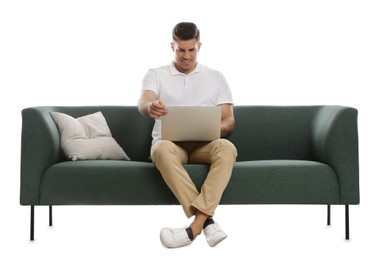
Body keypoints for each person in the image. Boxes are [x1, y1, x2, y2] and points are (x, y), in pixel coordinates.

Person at [138, 22, 237, 248]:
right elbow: (143, 101)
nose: (186, 56)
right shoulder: (156, 74)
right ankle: (207, 222)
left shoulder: (216, 77)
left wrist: (207, 129)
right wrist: (150, 106)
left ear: (199, 46)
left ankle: (194, 227)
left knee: (227, 148)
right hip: (172, 146)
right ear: (172, 46)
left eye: (191, 50)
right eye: (180, 50)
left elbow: (229, 121)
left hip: (205, 145)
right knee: (161, 149)